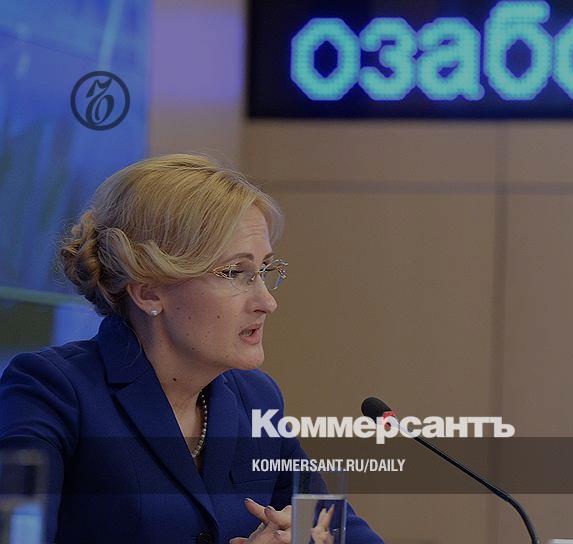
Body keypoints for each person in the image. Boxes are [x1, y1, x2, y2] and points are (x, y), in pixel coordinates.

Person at [0, 154, 383, 544]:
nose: (267, 302)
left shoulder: (256, 398)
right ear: (149, 292)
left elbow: (340, 531)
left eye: (266, 271)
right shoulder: (52, 391)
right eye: (236, 273)